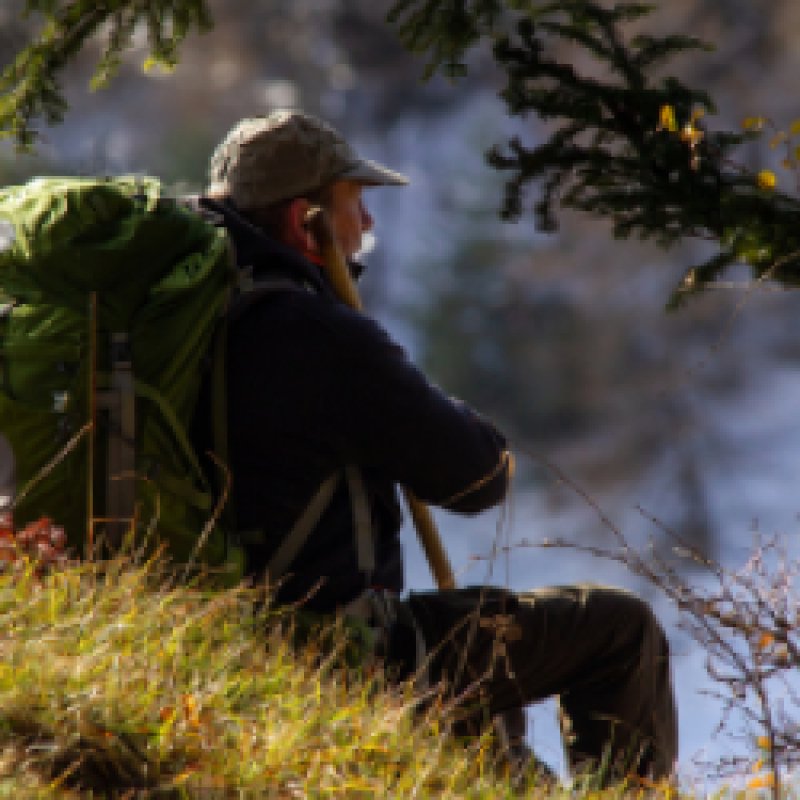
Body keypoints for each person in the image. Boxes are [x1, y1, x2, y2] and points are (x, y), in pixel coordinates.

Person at [200, 109, 677, 784]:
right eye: (353, 203)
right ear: (302, 221)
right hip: (351, 655)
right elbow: (479, 479)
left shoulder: (200, 318)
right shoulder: (320, 336)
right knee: (619, 630)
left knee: (497, 732)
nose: (365, 225)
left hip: (233, 643)